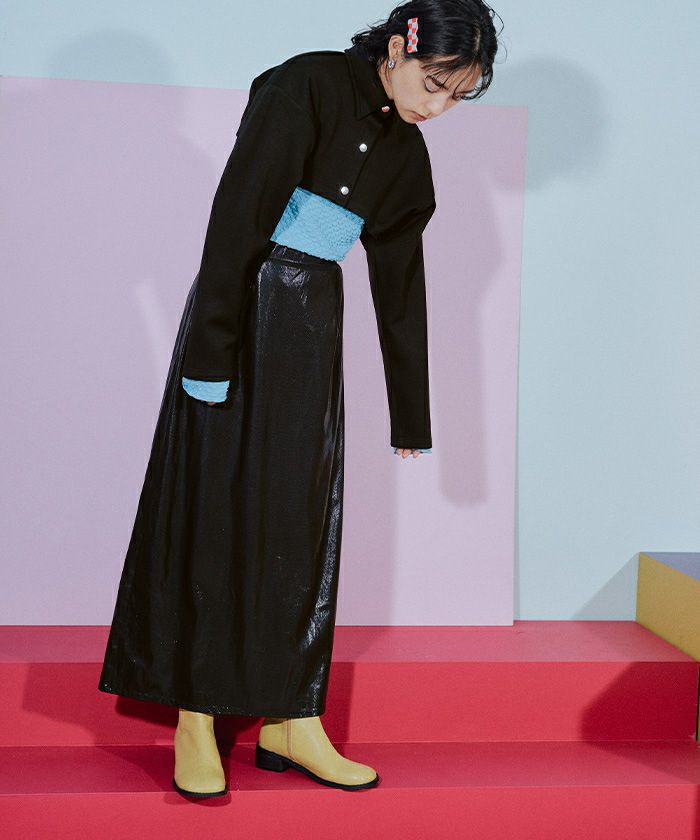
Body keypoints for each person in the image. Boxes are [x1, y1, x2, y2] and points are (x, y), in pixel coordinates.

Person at [97, 0, 501, 801]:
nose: (438, 106)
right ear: (400, 46)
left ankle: (292, 718)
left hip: (312, 324)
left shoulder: (408, 159)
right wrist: (211, 346)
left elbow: (400, 286)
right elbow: (238, 214)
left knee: (301, 518)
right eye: (435, 83)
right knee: (213, 507)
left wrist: (411, 414)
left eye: (458, 97)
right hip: (242, 306)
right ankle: (194, 717)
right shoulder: (307, 84)